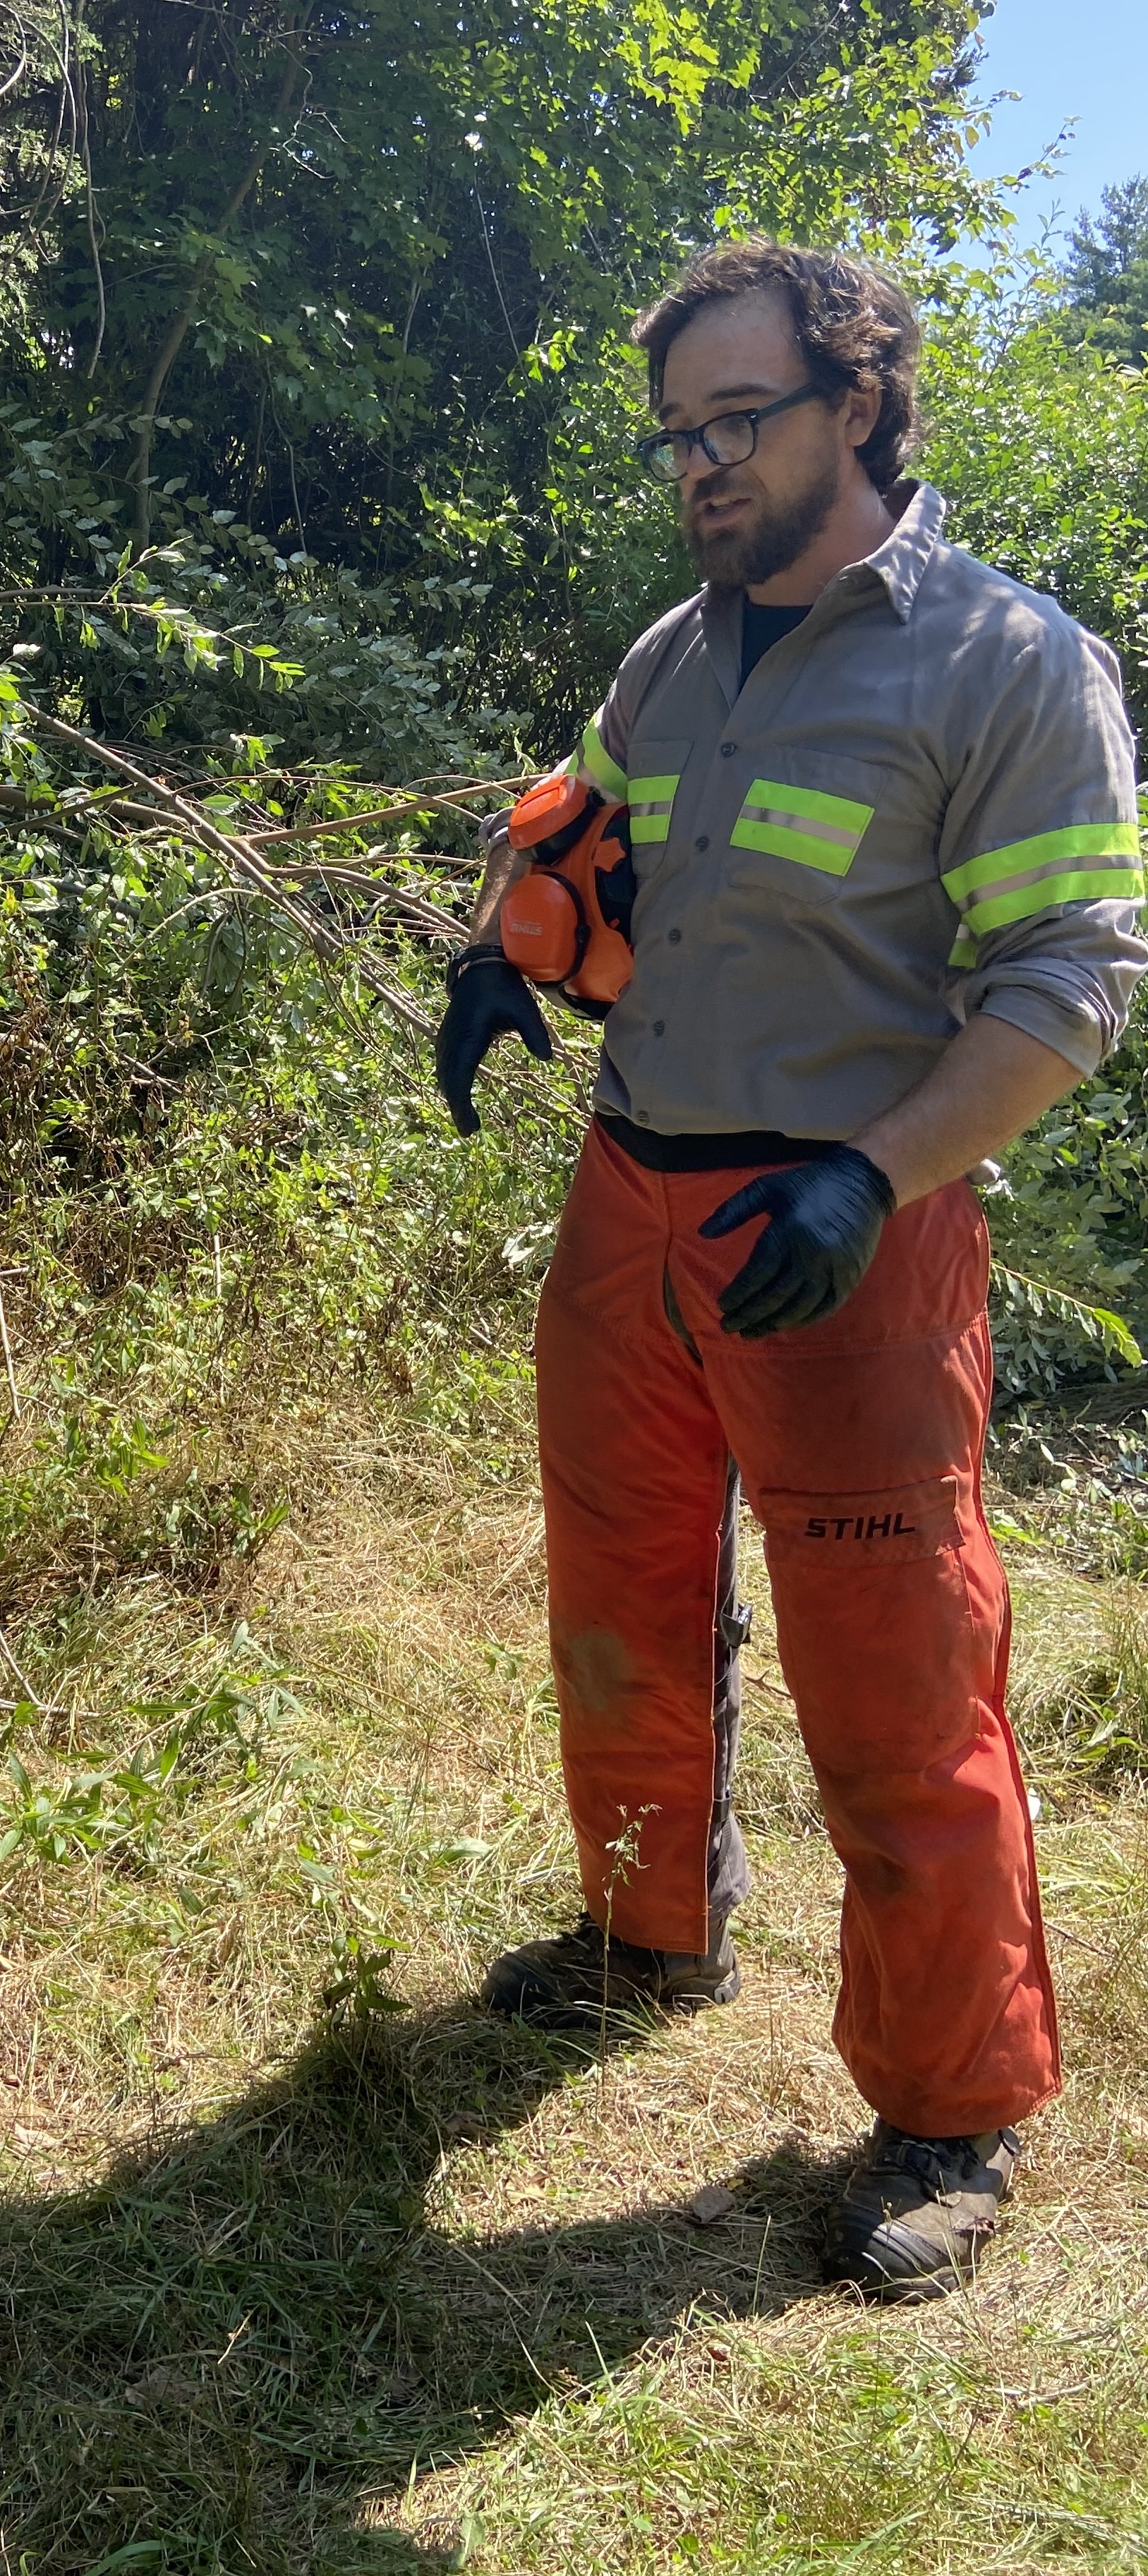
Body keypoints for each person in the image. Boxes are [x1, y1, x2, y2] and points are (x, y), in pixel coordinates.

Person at [438, 242, 1143, 2300]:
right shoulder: (673, 659)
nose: (701, 464)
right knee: (620, 1602)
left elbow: (1073, 982)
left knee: (901, 1676)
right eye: (678, 434)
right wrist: (504, 947)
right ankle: (647, 1928)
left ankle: (953, 2103)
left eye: (737, 420)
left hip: (855, 1231)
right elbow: (592, 848)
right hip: (631, 1203)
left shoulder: (1008, 664)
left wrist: (869, 1179)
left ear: (861, 402)